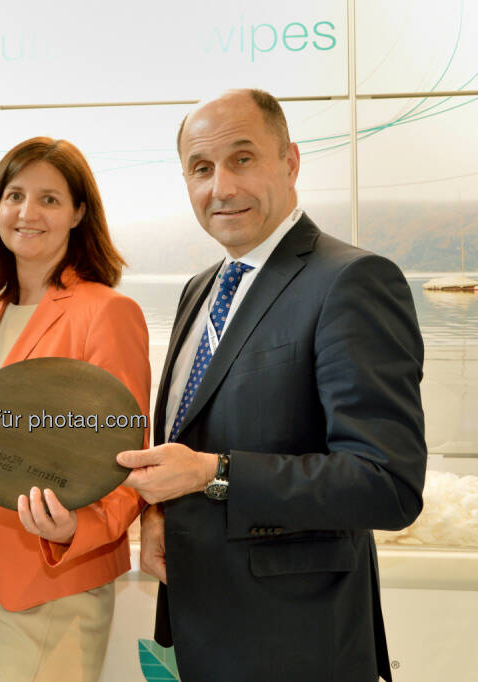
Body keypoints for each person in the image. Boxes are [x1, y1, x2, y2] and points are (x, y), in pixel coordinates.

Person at [116, 89, 426, 681]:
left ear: (291, 161)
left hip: (298, 645)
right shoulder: (199, 289)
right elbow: (191, 437)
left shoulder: (354, 281)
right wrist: (159, 515)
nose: (221, 188)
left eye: (242, 159)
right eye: (200, 169)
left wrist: (215, 472)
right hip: (198, 632)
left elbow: (386, 484)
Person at [0, 137, 149, 681]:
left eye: (50, 199)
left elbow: (130, 464)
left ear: (79, 213)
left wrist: (72, 531)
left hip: (51, 587)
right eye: (14, 195)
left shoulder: (107, 312)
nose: (27, 213)